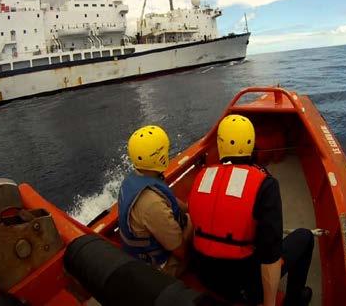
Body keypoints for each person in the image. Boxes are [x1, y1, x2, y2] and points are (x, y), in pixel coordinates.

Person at [188, 115, 314, 306]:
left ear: (220, 144)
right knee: (305, 237)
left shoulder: (202, 176)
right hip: (243, 287)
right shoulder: (265, 185)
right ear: (252, 144)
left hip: (205, 276)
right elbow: (270, 256)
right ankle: (294, 299)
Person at [118, 125, 192, 277]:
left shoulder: (136, 178)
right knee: (198, 225)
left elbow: (168, 198)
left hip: (143, 251)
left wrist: (188, 208)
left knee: (192, 216)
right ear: (160, 157)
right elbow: (180, 251)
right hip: (157, 268)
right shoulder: (152, 203)